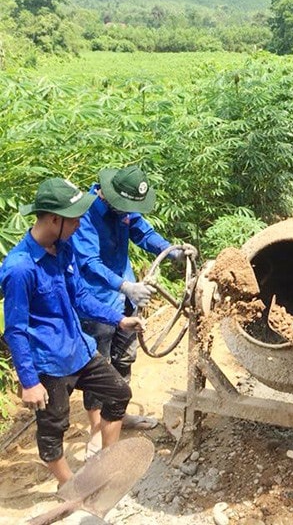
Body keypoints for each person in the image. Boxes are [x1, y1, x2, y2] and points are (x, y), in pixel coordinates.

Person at [0, 178, 145, 485]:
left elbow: (79, 296)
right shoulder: (20, 268)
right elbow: (15, 330)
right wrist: (28, 381)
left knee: (119, 392)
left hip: (78, 349)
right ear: (55, 219)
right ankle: (69, 487)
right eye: (76, 218)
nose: (80, 224)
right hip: (49, 363)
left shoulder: (63, 249)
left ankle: (106, 464)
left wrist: (118, 319)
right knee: (54, 427)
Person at [71, 165, 181, 453]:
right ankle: (97, 430)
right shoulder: (85, 214)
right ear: (109, 195)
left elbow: (143, 232)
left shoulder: (124, 208)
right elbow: (89, 264)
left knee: (124, 358)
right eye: (125, 208)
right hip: (97, 301)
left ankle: (118, 413)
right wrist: (124, 286)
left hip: (125, 297)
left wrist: (168, 249)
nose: (128, 212)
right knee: (99, 366)